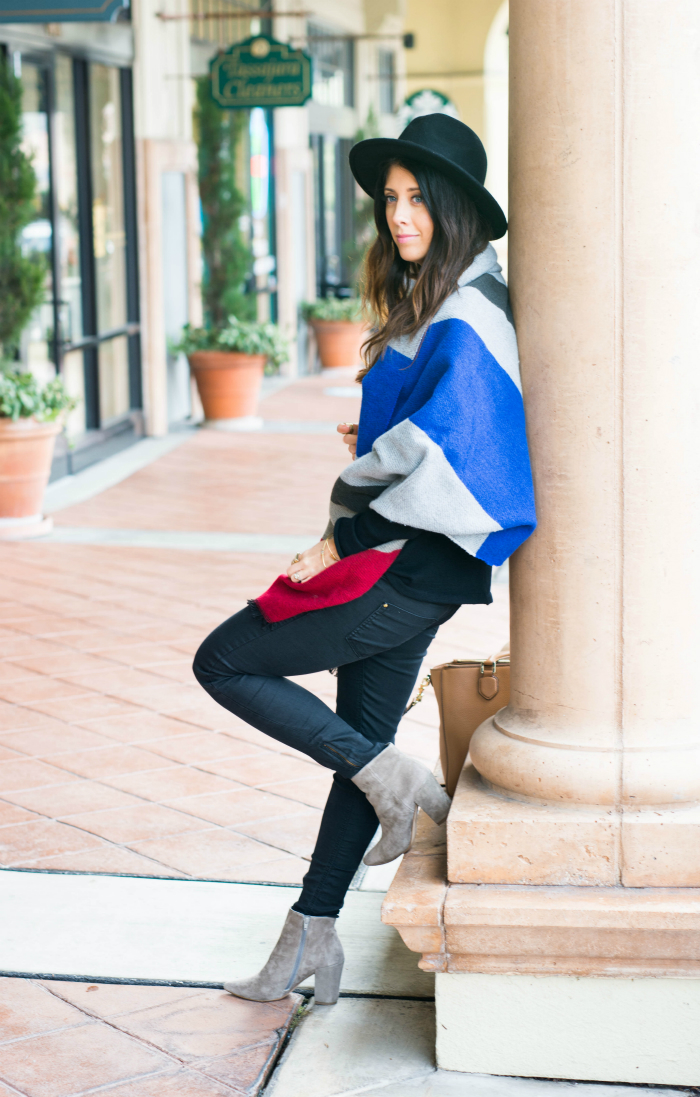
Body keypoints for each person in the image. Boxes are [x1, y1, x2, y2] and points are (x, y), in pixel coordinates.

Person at [193, 113, 536, 1005]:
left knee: (224, 659)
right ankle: (309, 939)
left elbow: (452, 443)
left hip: (397, 565)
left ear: (458, 204)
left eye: (419, 197)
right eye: (391, 199)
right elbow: (431, 428)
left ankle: (397, 778)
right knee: (362, 753)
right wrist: (377, 436)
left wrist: (338, 534)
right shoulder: (453, 291)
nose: (400, 215)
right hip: (417, 567)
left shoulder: (466, 308)